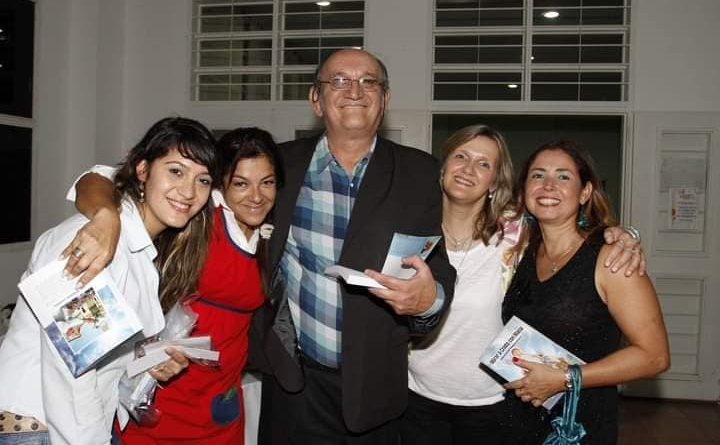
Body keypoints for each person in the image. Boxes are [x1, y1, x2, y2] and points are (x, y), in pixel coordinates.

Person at [253, 48, 456, 444]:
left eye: (369, 82)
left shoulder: (419, 173)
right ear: (316, 99)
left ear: (385, 98)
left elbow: (439, 266)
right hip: (294, 384)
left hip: (375, 390)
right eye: (339, 81)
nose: (355, 91)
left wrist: (429, 300)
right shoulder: (277, 166)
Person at [400, 126, 646, 444]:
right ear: (443, 166)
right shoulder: (411, 229)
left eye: (484, 163)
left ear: (495, 182)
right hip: (415, 397)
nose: (468, 169)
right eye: (461, 156)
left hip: (494, 403)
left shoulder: (515, 234)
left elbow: (565, 225)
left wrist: (625, 235)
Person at [0, 117, 220, 445]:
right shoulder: (89, 242)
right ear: (143, 170)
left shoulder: (139, 252)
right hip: (38, 429)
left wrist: (147, 363)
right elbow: (71, 373)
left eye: (202, 180)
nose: (189, 191)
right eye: (176, 171)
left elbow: (101, 356)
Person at [63, 127, 283, 444]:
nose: (256, 196)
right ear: (220, 184)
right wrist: (105, 214)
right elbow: (99, 177)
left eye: (267, 182)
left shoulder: (272, 230)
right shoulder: (197, 214)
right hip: (161, 393)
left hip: (221, 398)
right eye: (240, 183)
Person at [501, 140, 670, 443]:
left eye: (563, 176)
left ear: (585, 192)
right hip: (518, 418)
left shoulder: (611, 259)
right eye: (538, 175)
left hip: (576, 427)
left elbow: (654, 356)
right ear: (524, 190)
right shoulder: (523, 250)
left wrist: (565, 378)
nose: (548, 185)